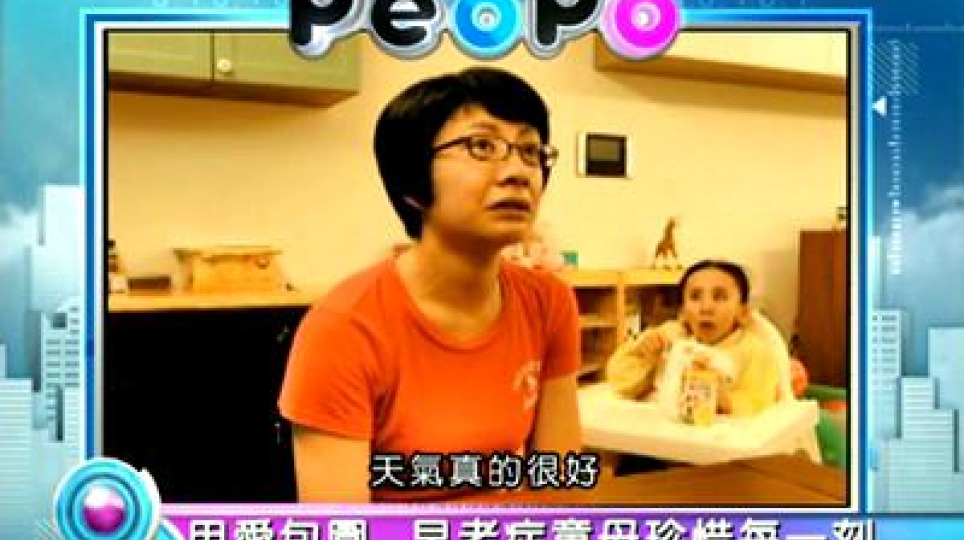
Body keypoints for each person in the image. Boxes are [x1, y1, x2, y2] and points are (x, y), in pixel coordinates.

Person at [278, 67, 583, 503]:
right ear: (412, 183)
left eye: (530, 151)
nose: (518, 172)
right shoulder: (343, 329)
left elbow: (560, 488)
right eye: (482, 146)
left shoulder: (548, 301)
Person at [606, 259, 781, 418]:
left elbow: (758, 403)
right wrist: (644, 353)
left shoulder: (754, 350)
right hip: (664, 431)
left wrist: (721, 399)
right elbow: (620, 383)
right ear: (682, 312)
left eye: (719, 297)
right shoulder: (672, 338)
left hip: (722, 438)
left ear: (743, 313)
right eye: (695, 297)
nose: (706, 308)